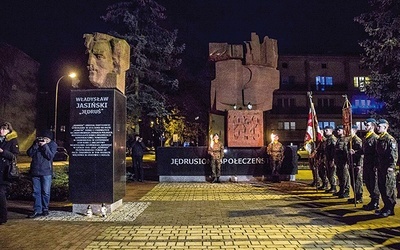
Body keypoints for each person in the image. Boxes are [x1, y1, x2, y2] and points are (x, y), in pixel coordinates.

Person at [27, 130, 57, 218]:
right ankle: (37, 210)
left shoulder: (52, 144)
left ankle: (45, 209)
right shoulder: (36, 143)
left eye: (46, 139)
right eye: (42, 138)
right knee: (36, 192)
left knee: (45, 192)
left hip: (46, 172)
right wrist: (36, 145)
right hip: (35, 171)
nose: (43, 140)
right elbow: (29, 153)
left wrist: (44, 146)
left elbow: (50, 156)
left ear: (49, 139)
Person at [375, 119, 398, 217]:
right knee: (382, 187)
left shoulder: (390, 139)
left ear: (385, 127)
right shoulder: (379, 139)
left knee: (389, 188)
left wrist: (392, 166)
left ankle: (390, 208)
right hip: (381, 167)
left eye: (379, 126)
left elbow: (393, 154)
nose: (377, 128)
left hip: (388, 168)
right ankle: (386, 206)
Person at [0, 122, 19, 225]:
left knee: (1, 195)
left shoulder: (12, 140)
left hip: (5, 172)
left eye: (4, 129)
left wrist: (3, 152)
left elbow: (14, 156)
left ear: (9, 131)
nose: (1, 131)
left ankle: (3, 217)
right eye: (1, 129)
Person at [362, 118, 380, 211]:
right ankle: (372, 200)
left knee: (373, 183)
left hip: (372, 164)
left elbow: (377, 153)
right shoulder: (366, 137)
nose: (366, 127)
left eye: (367, 125)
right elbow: (363, 151)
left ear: (372, 126)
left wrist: (376, 165)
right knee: (368, 183)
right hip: (366, 163)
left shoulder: (375, 138)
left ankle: (375, 201)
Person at [347, 125, 364, 204]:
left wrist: (359, 165)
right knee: (353, 181)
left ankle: (359, 197)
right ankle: (355, 196)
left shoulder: (357, 140)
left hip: (356, 164)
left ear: (354, 130)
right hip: (351, 163)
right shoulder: (350, 140)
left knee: (357, 181)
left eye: (349, 130)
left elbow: (361, 153)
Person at [334, 125, 350, 198]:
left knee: (345, 177)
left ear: (343, 130)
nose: (338, 131)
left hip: (344, 162)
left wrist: (347, 161)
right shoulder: (338, 139)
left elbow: (346, 151)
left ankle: (346, 191)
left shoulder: (346, 139)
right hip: (339, 161)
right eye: (337, 130)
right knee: (340, 176)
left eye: (339, 130)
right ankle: (341, 190)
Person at [323, 126, 337, 193]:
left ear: (331, 131)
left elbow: (334, 151)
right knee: (328, 173)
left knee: (332, 174)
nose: (325, 131)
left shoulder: (333, 139)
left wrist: (333, 160)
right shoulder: (328, 139)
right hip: (328, 159)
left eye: (327, 130)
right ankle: (332, 186)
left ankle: (334, 187)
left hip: (331, 159)